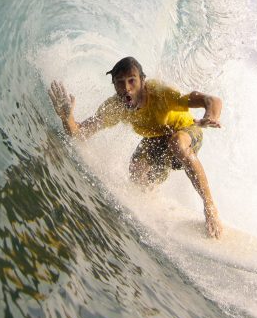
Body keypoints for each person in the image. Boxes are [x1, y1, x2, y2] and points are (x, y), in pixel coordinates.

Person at [47, 56, 224, 238]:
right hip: (158, 140)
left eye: (132, 81)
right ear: (114, 86)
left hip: (187, 132)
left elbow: (212, 100)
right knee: (136, 173)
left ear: (143, 81)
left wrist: (211, 116)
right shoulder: (116, 106)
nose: (126, 88)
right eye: (120, 83)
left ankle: (210, 209)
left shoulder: (161, 93)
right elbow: (80, 134)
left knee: (177, 143)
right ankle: (155, 205)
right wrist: (66, 117)